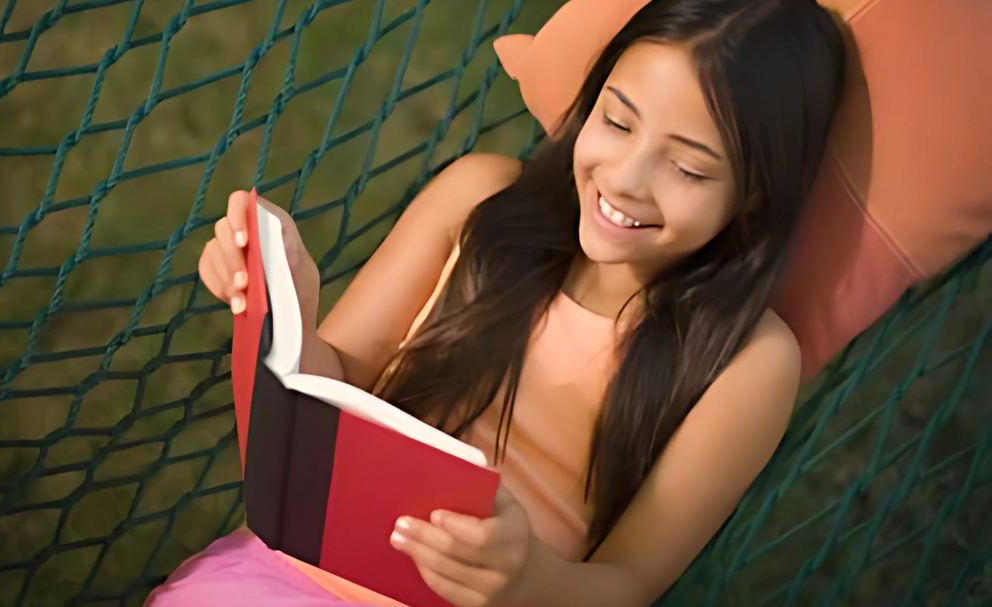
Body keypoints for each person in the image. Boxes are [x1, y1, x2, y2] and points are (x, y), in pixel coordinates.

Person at [149, 0, 846, 605]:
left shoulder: (747, 360)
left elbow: (628, 584)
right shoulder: (479, 202)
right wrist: (286, 305)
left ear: (755, 191)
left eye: (688, 167)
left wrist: (527, 579)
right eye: (617, 121)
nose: (626, 179)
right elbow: (329, 392)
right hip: (291, 575)